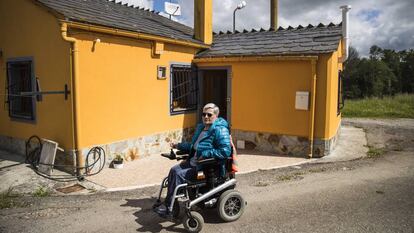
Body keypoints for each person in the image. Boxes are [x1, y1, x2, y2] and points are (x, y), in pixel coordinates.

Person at [154, 103, 232, 216]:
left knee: (178, 174)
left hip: (206, 168)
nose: (205, 117)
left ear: (216, 115)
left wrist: (205, 154)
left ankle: (168, 207)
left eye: (209, 114)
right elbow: (193, 146)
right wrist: (178, 146)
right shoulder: (202, 128)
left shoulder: (220, 130)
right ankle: (171, 204)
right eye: (204, 114)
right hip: (194, 163)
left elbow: (225, 151)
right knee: (173, 170)